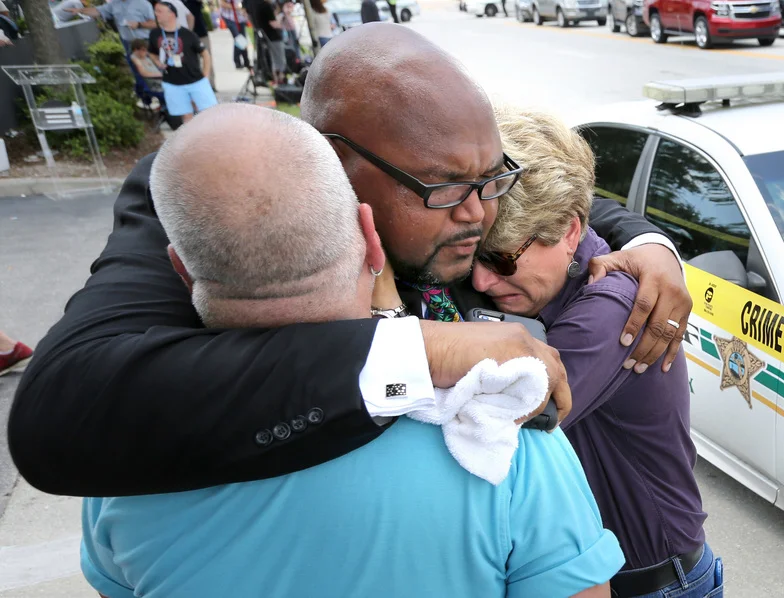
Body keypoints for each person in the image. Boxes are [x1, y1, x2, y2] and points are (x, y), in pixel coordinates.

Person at [8, 23, 692, 499]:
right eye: (445, 187)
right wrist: (418, 351)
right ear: (333, 166)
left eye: (491, 179)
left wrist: (649, 244)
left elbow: (546, 190)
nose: (480, 214)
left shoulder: (456, 186)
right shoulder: (214, 195)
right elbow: (60, 413)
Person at [79, 102, 625, 598]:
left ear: (180, 267)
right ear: (371, 236)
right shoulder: (500, 433)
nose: (481, 279)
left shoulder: (117, 462)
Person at [465, 107, 720, 598]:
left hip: (655, 585)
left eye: (501, 260)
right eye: (473, 256)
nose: (480, 280)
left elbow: (492, 431)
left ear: (569, 232)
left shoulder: (614, 310)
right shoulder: (546, 269)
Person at [67, 0, 156, 99]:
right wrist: (80, 10)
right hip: (128, 43)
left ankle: (156, 95)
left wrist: (139, 24)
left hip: (143, 42)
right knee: (136, 70)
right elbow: (97, 11)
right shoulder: (114, 4)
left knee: (148, 69)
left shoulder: (143, 3)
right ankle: (145, 97)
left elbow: (155, 23)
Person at [149, 1, 217, 123]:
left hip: (195, 80)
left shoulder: (188, 34)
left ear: (171, 14)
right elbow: (152, 52)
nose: (156, 14)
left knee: (209, 112)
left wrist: (206, 75)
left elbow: (205, 54)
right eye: (155, 11)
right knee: (186, 117)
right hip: (172, 82)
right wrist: (157, 62)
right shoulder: (155, 34)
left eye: (159, 11)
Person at [184, 0, 216, 90]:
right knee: (192, 62)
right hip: (187, 36)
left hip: (201, 33)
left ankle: (210, 84)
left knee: (207, 58)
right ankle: (197, 84)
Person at [253, 0, 285, 84]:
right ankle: (279, 79)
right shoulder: (267, 6)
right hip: (274, 37)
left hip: (267, 36)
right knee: (279, 60)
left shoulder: (258, 5)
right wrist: (281, 25)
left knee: (274, 59)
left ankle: (276, 79)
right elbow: (273, 23)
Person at [220, 0, 251, 69]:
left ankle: (245, 62)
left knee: (242, 39)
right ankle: (240, 61)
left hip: (241, 18)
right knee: (239, 39)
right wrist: (236, 7)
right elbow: (222, 3)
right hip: (230, 18)